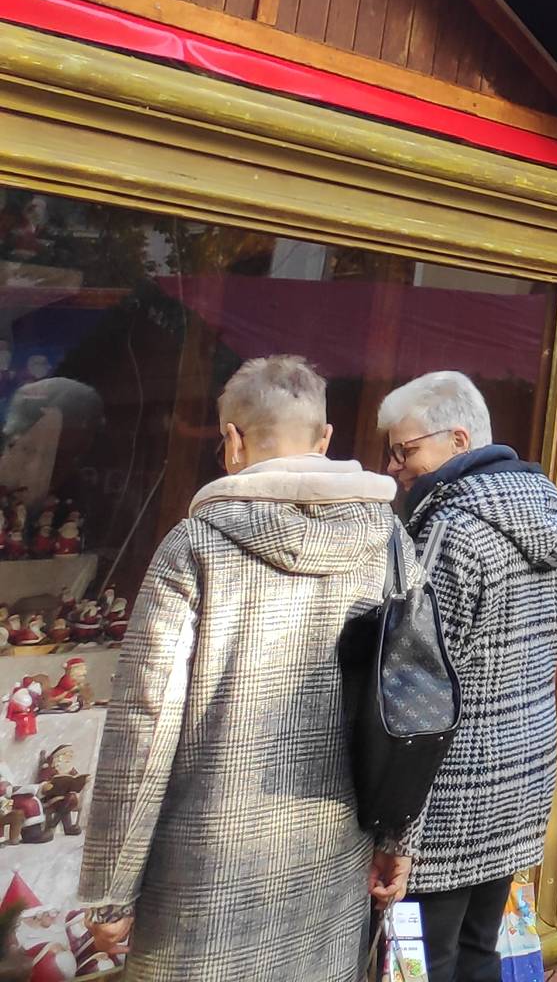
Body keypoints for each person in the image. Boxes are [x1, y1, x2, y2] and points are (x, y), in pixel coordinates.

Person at [80, 354, 403, 981]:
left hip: (202, 866)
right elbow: (410, 700)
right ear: (325, 440)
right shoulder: (390, 542)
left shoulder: (193, 546)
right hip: (332, 852)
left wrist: (112, 889)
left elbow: (145, 724)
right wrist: (397, 838)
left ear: (230, 440)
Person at [378, 371, 557, 982]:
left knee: (425, 960)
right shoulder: (541, 519)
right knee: (477, 951)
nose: (393, 466)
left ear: (457, 439)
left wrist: (396, 831)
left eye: (405, 450)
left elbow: (415, 689)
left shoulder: (450, 529)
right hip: (518, 772)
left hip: (451, 784)